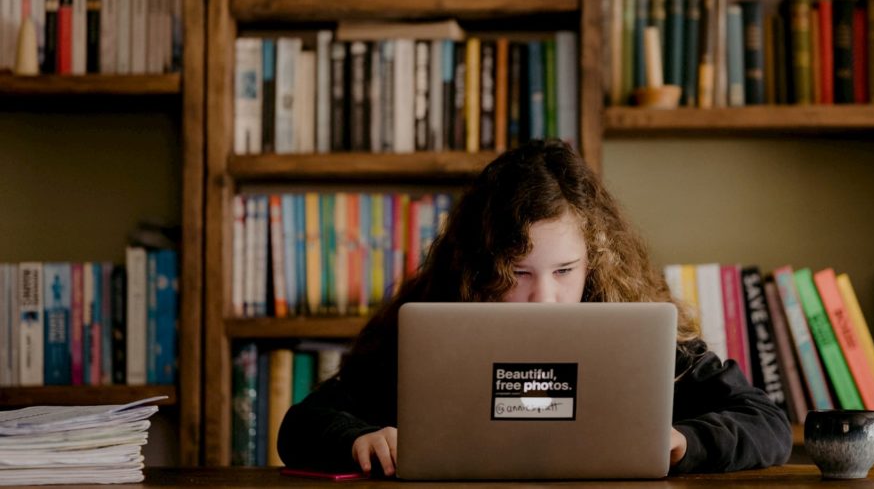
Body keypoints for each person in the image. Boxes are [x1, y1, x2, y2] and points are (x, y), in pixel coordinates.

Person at [277, 139, 792, 475]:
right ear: (481, 266)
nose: (544, 297)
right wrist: (360, 438)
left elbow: (765, 421)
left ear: (595, 261)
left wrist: (684, 442)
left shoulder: (627, 318)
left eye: (565, 271)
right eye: (517, 274)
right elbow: (301, 424)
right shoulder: (434, 317)